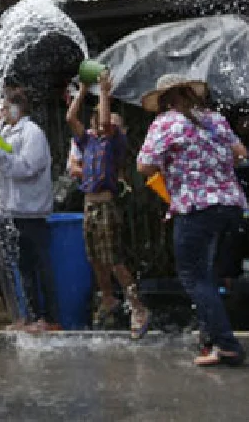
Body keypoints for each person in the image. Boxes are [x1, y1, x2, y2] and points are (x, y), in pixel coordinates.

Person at [137, 74, 249, 367]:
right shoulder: (215, 119)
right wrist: (214, 167)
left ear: (165, 100)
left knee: (194, 277)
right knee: (207, 276)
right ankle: (209, 339)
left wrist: (176, 167)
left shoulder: (166, 123)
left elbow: (143, 164)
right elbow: (240, 152)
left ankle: (227, 345)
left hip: (195, 207)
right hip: (231, 206)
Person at [65, 73, 150, 338]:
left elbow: (104, 120)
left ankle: (138, 307)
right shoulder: (88, 141)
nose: (108, 121)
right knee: (95, 259)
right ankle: (109, 299)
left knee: (113, 260)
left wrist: (103, 92)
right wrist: (81, 92)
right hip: (89, 206)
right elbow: (70, 119)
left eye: (115, 121)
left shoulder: (115, 144)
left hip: (106, 206)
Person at [0, 86, 59, 332]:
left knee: (40, 266)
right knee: (24, 267)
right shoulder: (6, 131)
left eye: (4, 107)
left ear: (17, 107)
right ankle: (29, 316)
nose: (1, 112)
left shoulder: (32, 133)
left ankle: (50, 317)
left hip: (31, 210)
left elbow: (27, 168)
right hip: (13, 210)